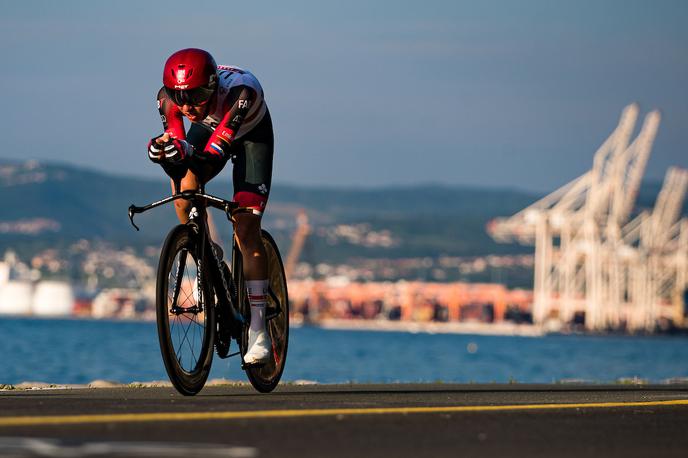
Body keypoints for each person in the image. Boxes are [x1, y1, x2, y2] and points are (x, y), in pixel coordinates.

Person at [147, 48, 273, 365]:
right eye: (180, 96)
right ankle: (205, 249)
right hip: (211, 126)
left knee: (245, 227)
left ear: (214, 86)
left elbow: (214, 156)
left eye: (197, 95)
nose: (187, 106)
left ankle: (259, 329)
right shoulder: (167, 99)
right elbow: (178, 147)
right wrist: (163, 152)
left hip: (249, 133)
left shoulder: (241, 93)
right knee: (184, 184)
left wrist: (184, 152)